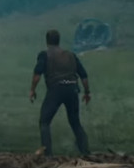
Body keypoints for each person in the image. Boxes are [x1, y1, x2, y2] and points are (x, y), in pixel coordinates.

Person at [30, 29, 91, 157]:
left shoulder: (45, 55)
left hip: (56, 90)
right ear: (58, 41)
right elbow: (84, 75)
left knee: (44, 122)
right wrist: (87, 92)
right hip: (72, 89)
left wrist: (32, 90)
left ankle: (48, 155)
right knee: (75, 122)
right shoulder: (71, 55)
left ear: (47, 41)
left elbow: (37, 74)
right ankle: (85, 152)